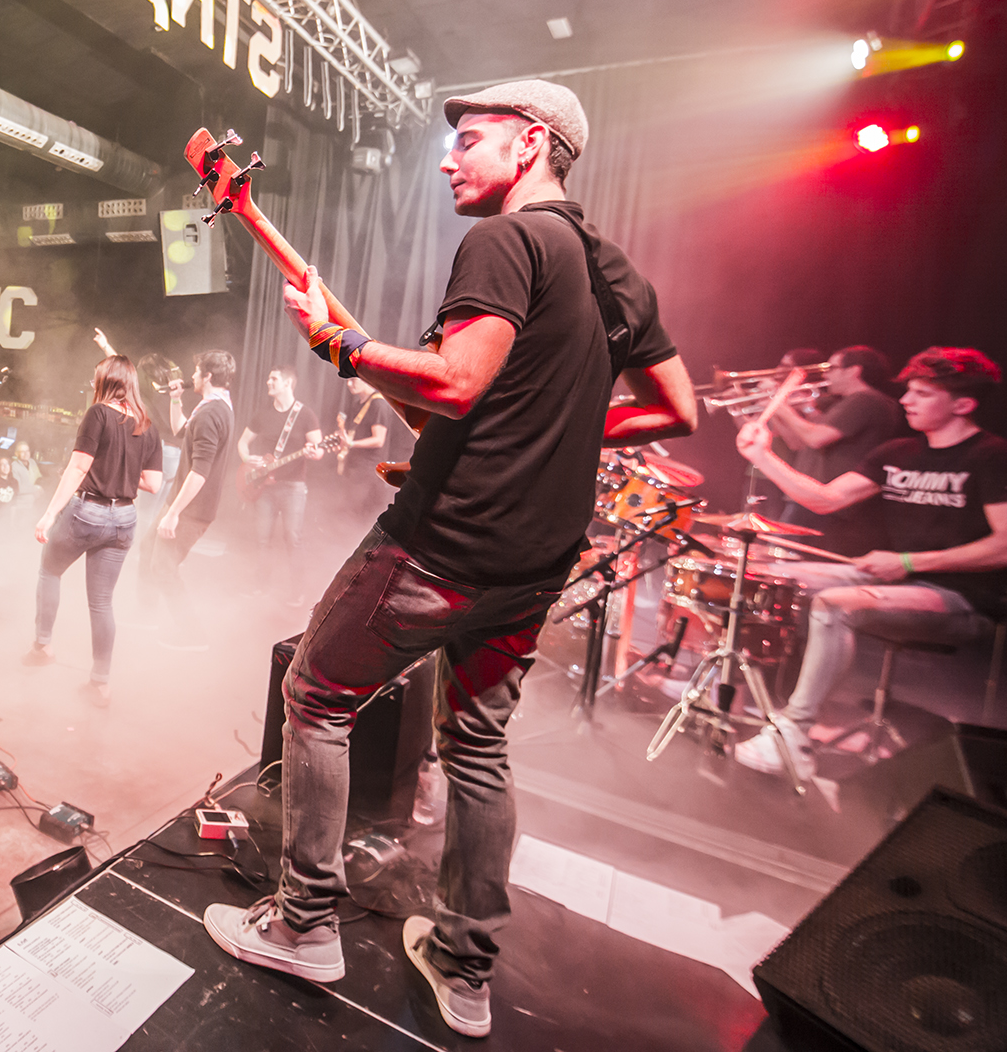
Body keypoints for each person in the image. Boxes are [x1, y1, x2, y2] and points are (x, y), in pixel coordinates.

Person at [202, 80, 695, 1039]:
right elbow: (677, 408)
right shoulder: (615, 274)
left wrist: (342, 347)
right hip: (533, 569)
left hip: (443, 547)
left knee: (316, 697)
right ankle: (467, 971)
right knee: (477, 746)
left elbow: (459, 387)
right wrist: (546, 429)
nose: (447, 157)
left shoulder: (509, 241)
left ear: (531, 143)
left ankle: (303, 925)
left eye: (471, 139)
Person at [731, 347, 1007, 775]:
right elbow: (825, 499)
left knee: (835, 605)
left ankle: (794, 736)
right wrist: (762, 456)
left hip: (962, 598)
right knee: (764, 576)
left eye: (922, 393)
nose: (906, 400)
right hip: (898, 580)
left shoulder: (994, 457)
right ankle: (731, 700)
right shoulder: (898, 452)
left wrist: (910, 563)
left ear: (963, 404)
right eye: (909, 391)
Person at [26, 355, 165, 706]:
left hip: (89, 513)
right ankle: (100, 684)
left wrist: (48, 515)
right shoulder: (147, 424)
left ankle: (43, 646)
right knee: (102, 603)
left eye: (95, 379)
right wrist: (120, 470)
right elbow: (154, 483)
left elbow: (77, 468)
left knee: (49, 570)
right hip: (125, 519)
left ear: (106, 382)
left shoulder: (98, 414)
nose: (93, 385)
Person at [766, 345, 904, 555]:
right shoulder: (846, 402)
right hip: (809, 496)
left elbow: (816, 438)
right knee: (781, 557)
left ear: (854, 371)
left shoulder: (865, 399)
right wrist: (793, 409)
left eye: (832, 368)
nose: (825, 374)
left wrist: (778, 402)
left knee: (783, 562)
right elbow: (797, 443)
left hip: (825, 500)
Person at [153, 349, 237, 646]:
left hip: (190, 510)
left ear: (207, 376)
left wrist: (173, 513)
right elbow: (179, 430)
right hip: (186, 506)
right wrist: (176, 399)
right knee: (150, 552)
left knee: (163, 569)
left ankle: (192, 636)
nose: (191, 376)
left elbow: (200, 472)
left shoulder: (211, 413)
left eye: (196, 371)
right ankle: (147, 615)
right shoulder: (214, 407)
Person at [238, 366, 326, 602]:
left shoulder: (305, 415)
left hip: (292, 488)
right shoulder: (262, 414)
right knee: (262, 538)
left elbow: (319, 450)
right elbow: (243, 442)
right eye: (269, 378)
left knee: (292, 539)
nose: (269, 382)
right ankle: (260, 586)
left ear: (288, 384)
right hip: (265, 487)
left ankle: (297, 592)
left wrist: (313, 453)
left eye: (274, 379)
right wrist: (247, 459)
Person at [337, 374, 391, 522]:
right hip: (353, 469)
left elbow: (378, 440)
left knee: (353, 514)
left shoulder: (378, 404)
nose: (349, 384)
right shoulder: (357, 404)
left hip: (367, 472)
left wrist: (351, 444)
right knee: (346, 510)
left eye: (353, 380)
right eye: (348, 380)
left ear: (366, 379)